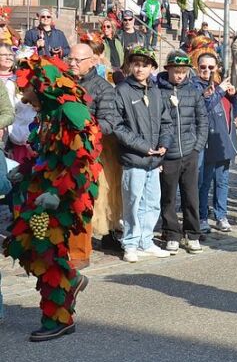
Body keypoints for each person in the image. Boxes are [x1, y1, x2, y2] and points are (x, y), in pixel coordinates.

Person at [4, 56, 100, 341]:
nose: (22, 96)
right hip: (42, 190)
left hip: (65, 195)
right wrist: (24, 170)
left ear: (40, 85)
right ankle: (72, 280)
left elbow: (83, 161)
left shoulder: (69, 112)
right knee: (28, 245)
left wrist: (58, 195)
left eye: (25, 89)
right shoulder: (45, 114)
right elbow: (45, 155)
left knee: (47, 249)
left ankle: (58, 318)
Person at [111, 45, 173, 262]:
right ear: (130, 66)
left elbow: (166, 122)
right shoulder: (122, 91)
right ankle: (130, 243)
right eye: (136, 64)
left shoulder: (156, 92)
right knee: (133, 202)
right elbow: (117, 126)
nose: (139, 69)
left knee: (152, 201)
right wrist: (141, 146)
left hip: (154, 159)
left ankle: (146, 241)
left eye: (144, 65)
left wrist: (164, 144)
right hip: (135, 158)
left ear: (152, 68)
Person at [66, 43, 116, 267]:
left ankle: (79, 253)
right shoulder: (64, 83)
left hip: (89, 154)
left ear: (92, 62)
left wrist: (85, 129)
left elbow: (109, 122)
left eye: (78, 60)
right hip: (62, 151)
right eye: (71, 59)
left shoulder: (103, 88)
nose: (73, 63)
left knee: (81, 203)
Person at [156, 51, 209, 254]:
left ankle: (192, 234)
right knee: (168, 196)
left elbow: (202, 120)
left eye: (183, 72)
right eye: (176, 71)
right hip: (168, 154)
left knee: (191, 195)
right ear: (168, 70)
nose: (179, 76)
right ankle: (171, 233)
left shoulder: (193, 91)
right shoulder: (158, 91)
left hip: (189, 151)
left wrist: (197, 146)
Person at [196, 53, 237, 234]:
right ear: (197, 68)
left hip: (223, 140)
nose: (207, 71)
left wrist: (233, 97)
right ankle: (202, 217)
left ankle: (221, 215)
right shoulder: (195, 86)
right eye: (203, 67)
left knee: (222, 182)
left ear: (217, 68)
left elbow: (233, 113)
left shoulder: (220, 86)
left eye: (211, 68)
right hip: (206, 142)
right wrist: (219, 91)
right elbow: (202, 109)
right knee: (204, 183)